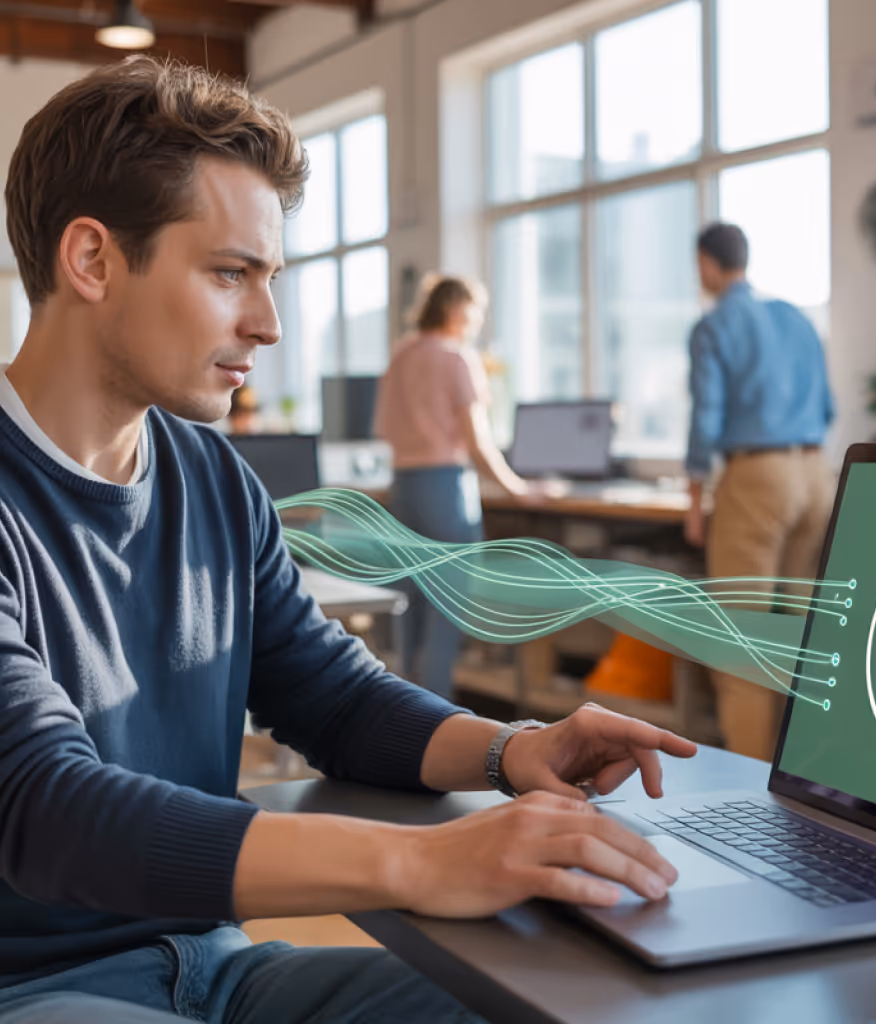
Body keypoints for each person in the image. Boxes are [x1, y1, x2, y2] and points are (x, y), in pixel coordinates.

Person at [0, 56, 697, 1023]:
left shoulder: (213, 481)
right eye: (229, 273)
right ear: (92, 260)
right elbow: (46, 808)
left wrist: (513, 750)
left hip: (219, 964)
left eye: (270, 277)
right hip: (36, 991)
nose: (270, 322)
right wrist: (416, 862)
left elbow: (329, 696)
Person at [684, 222, 835, 762]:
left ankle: (751, 792)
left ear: (707, 263)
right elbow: (827, 409)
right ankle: (806, 774)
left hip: (757, 480)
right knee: (799, 633)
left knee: (743, 640)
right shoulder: (796, 318)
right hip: (816, 475)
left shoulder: (715, 325)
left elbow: (707, 417)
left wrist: (695, 499)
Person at [374, 274, 535, 699]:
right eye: (476, 311)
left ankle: (402, 713)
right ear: (456, 310)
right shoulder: (457, 358)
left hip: (403, 487)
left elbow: (383, 428)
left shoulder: (401, 355)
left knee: (408, 608)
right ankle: (438, 719)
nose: (478, 321)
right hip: (445, 488)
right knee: (446, 611)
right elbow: (478, 443)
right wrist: (519, 489)